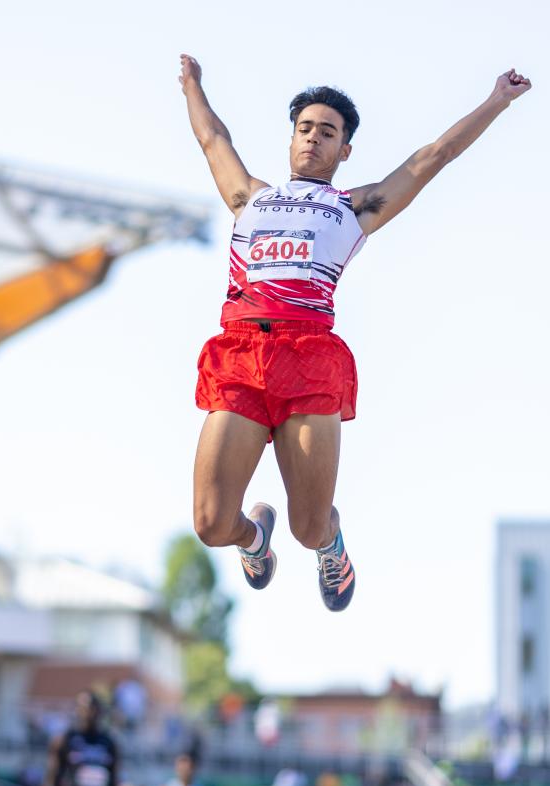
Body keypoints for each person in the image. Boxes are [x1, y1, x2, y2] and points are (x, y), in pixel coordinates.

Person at [179, 55, 531, 610]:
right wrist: (192, 86)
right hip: (241, 355)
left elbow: (432, 157)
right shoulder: (252, 197)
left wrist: (495, 101)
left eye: (327, 132)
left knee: (309, 525)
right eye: (304, 129)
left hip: (309, 356)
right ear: (291, 139)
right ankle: (253, 539)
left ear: (344, 151)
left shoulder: (355, 207)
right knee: (209, 522)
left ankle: (331, 546)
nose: (313, 139)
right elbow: (212, 139)